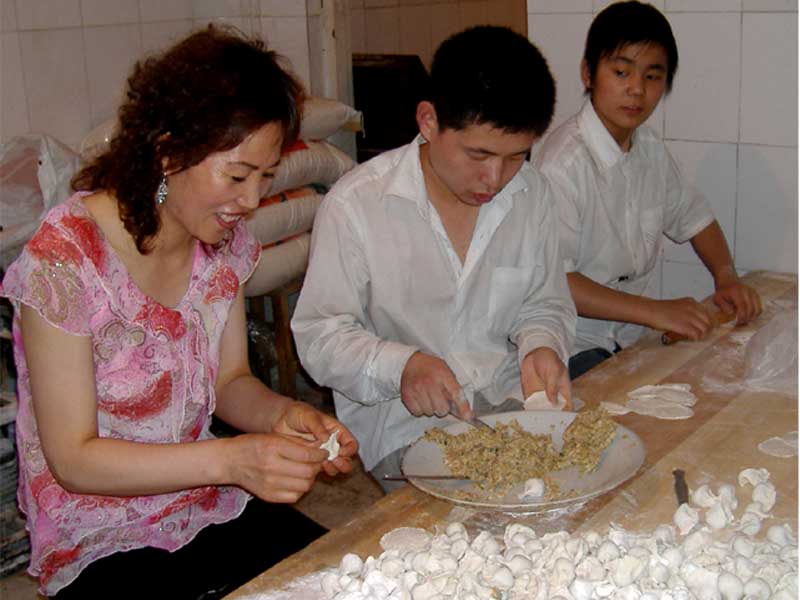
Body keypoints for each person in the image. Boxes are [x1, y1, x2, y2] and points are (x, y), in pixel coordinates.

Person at [0, 26, 357, 599]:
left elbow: (229, 382)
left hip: (199, 503)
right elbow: (73, 459)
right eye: (236, 175)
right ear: (168, 152)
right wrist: (230, 461)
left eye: (265, 177)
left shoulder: (220, 245)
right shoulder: (66, 260)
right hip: (96, 531)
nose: (251, 201)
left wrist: (282, 416)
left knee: (345, 577)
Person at [291, 26, 576, 492]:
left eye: (515, 157)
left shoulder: (533, 193)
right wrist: (401, 366)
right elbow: (320, 336)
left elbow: (544, 302)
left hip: (508, 400)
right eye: (478, 154)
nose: (494, 178)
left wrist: (541, 345)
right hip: (405, 426)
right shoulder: (357, 205)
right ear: (428, 121)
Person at [535, 1, 762, 380]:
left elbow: (696, 218)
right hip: (567, 350)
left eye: (653, 76)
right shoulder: (563, 165)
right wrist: (655, 311)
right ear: (589, 73)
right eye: (621, 72)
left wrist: (727, 278)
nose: (636, 90)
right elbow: (557, 281)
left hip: (627, 342)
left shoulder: (650, 149)